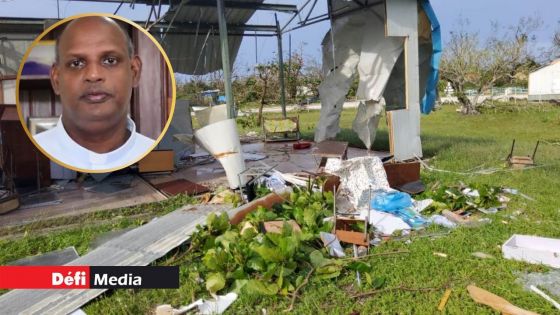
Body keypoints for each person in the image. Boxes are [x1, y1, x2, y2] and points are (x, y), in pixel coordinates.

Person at [34, 15, 155, 171]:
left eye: (110, 60)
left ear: (134, 72)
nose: (93, 75)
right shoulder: (35, 154)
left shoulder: (152, 151)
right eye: (76, 63)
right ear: (56, 79)